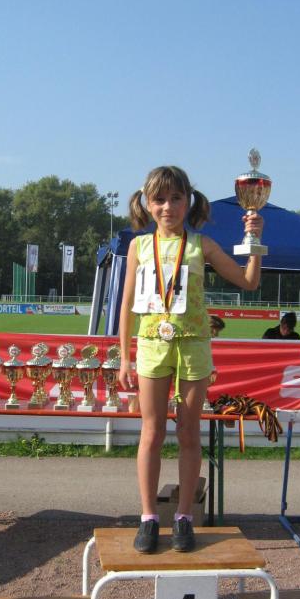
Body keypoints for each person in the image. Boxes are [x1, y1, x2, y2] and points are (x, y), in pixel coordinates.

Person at [118, 165, 263, 554]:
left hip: (194, 348)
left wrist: (255, 241)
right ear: (147, 204)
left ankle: (183, 516)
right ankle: (149, 517)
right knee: (151, 432)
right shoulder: (138, 246)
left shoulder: (202, 245)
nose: (168, 207)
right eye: (159, 199)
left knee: (188, 432)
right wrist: (124, 358)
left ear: (189, 202)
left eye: (176, 198)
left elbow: (248, 282)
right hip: (152, 346)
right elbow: (127, 305)